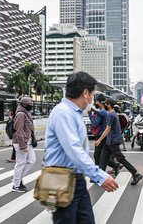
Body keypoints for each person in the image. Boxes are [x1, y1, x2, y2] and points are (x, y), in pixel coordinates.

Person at [44, 72, 118, 223]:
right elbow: (74, 150)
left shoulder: (73, 113)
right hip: (61, 180)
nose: (92, 98)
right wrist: (99, 175)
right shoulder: (63, 113)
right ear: (85, 93)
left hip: (76, 179)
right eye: (92, 93)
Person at [95, 98, 143, 185]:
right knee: (103, 158)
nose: (104, 105)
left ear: (109, 105)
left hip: (113, 141)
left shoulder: (111, 115)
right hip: (110, 141)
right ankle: (100, 177)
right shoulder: (113, 114)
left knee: (120, 159)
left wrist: (99, 140)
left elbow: (107, 129)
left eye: (105, 104)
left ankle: (136, 174)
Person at [11, 97, 37, 192]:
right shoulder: (21, 114)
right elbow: (19, 131)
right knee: (21, 162)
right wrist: (23, 146)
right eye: (30, 104)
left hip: (28, 141)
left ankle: (16, 179)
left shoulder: (26, 113)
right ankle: (16, 185)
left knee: (32, 160)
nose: (31, 106)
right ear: (25, 105)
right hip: (20, 142)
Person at [88, 94, 117, 171]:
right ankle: (115, 165)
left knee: (97, 155)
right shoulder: (105, 111)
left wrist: (89, 114)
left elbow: (95, 123)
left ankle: (98, 173)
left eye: (96, 101)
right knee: (102, 155)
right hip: (106, 135)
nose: (95, 103)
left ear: (100, 102)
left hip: (101, 135)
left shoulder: (102, 112)